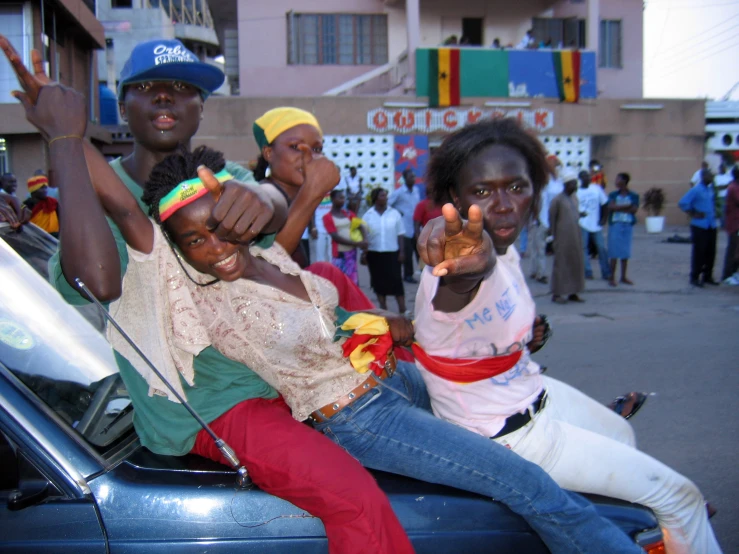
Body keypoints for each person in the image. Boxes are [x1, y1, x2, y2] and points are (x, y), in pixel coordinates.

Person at [95, 139, 645, 554]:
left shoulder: (272, 255)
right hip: (360, 418)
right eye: (194, 240)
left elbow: (327, 309)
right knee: (526, 484)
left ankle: (615, 454)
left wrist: (394, 321)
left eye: (220, 226)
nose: (214, 248)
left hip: (388, 376)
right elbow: (123, 211)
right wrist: (66, 137)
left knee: (506, 411)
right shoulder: (193, 288)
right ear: (175, 251)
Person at [0, 35, 414, 553]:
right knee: (356, 499)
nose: (167, 97)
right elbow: (96, 283)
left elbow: (270, 211)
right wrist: (63, 140)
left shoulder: (227, 179)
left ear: (201, 108)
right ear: (122, 103)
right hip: (214, 406)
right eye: (148, 87)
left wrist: (265, 197)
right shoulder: (103, 198)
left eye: (183, 88)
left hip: (283, 377)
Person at [416, 118, 723, 554]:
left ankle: (623, 532)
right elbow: (453, 296)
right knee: (681, 496)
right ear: (454, 198)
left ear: (534, 191)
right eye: (482, 192)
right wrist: (461, 269)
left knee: (619, 431)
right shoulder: (460, 264)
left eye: (517, 187)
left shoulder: (505, 247)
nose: (503, 204)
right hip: (508, 435)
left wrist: (527, 337)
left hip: (530, 392)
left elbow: (486, 325)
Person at [251, 106, 343, 267]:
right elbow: (266, 265)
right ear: (268, 153)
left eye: (317, 149)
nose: (308, 156)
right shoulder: (262, 196)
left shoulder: (292, 197)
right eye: (295, 147)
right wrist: (312, 191)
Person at [362, 187, 407, 314]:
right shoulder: (368, 216)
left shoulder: (394, 213)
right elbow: (364, 237)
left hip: (392, 253)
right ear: (375, 198)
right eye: (382, 196)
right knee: (378, 283)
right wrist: (363, 254)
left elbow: (401, 234)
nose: (386, 198)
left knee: (397, 282)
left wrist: (402, 252)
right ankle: (383, 309)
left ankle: (403, 310)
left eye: (386, 195)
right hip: (374, 254)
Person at [679, 167, 719, 287]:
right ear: (703, 177)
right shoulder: (696, 190)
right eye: (709, 176)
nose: (711, 178)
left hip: (711, 224)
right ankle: (695, 277)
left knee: (711, 251)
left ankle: (707, 276)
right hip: (699, 225)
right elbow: (683, 203)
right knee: (699, 252)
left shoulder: (710, 189)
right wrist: (693, 213)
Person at [549, 169, 585, 303]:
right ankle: (557, 293)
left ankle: (573, 292)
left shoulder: (574, 198)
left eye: (576, 184)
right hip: (562, 239)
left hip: (575, 237)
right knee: (561, 266)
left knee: (575, 264)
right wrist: (552, 238)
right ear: (566, 185)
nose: (575, 186)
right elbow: (552, 219)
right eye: (573, 184)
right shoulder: (557, 200)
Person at [323, 189, 367, 284]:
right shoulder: (327, 217)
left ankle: (353, 298)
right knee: (340, 280)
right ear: (333, 199)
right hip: (339, 253)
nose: (343, 200)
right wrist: (356, 243)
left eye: (343, 198)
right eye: (340, 198)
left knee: (353, 279)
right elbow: (335, 237)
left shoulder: (348, 213)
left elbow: (360, 226)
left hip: (351, 252)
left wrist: (365, 240)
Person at [531, 155, 563, 283]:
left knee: (539, 246)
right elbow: (538, 200)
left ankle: (538, 271)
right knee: (539, 247)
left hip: (550, 218)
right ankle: (539, 273)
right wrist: (536, 216)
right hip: (542, 218)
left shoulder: (557, 181)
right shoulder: (544, 181)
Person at [577, 170, 611, 280]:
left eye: (588, 176)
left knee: (601, 248)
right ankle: (587, 272)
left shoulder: (596, 189)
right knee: (583, 248)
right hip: (582, 223)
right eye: (584, 176)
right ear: (580, 179)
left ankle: (606, 272)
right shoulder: (577, 191)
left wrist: (604, 218)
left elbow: (605, 204)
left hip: (596, 224)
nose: (587, 178)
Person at [606, 173, 639, 287]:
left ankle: (623, 276)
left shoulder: (633, 195)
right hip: (616, 224)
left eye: (618, 179)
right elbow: (611, 207)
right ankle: (612, 277)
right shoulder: (613, 194)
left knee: (625, 251)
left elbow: (634, 209)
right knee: (614, 251)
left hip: (627, 225)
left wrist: (618, 207)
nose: (616, 181)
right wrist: (627, 206)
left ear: (624, 181)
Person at [388, 168, 420, 283]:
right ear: (405, 179)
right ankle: (408, 275)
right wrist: (397, 211)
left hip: (416, 226)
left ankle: (424, 273)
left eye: (414, 176)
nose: (413, 179)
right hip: (405, 227)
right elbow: (388, 204)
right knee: (407, 253)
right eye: (411, 177)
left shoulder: (416, 190)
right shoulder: (399, 192)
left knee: (419, 251)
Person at [722, 166, 739, 283]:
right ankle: (728, 274)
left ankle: (734, 272)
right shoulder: (734, 187)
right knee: (733, 249)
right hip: (734, 223)